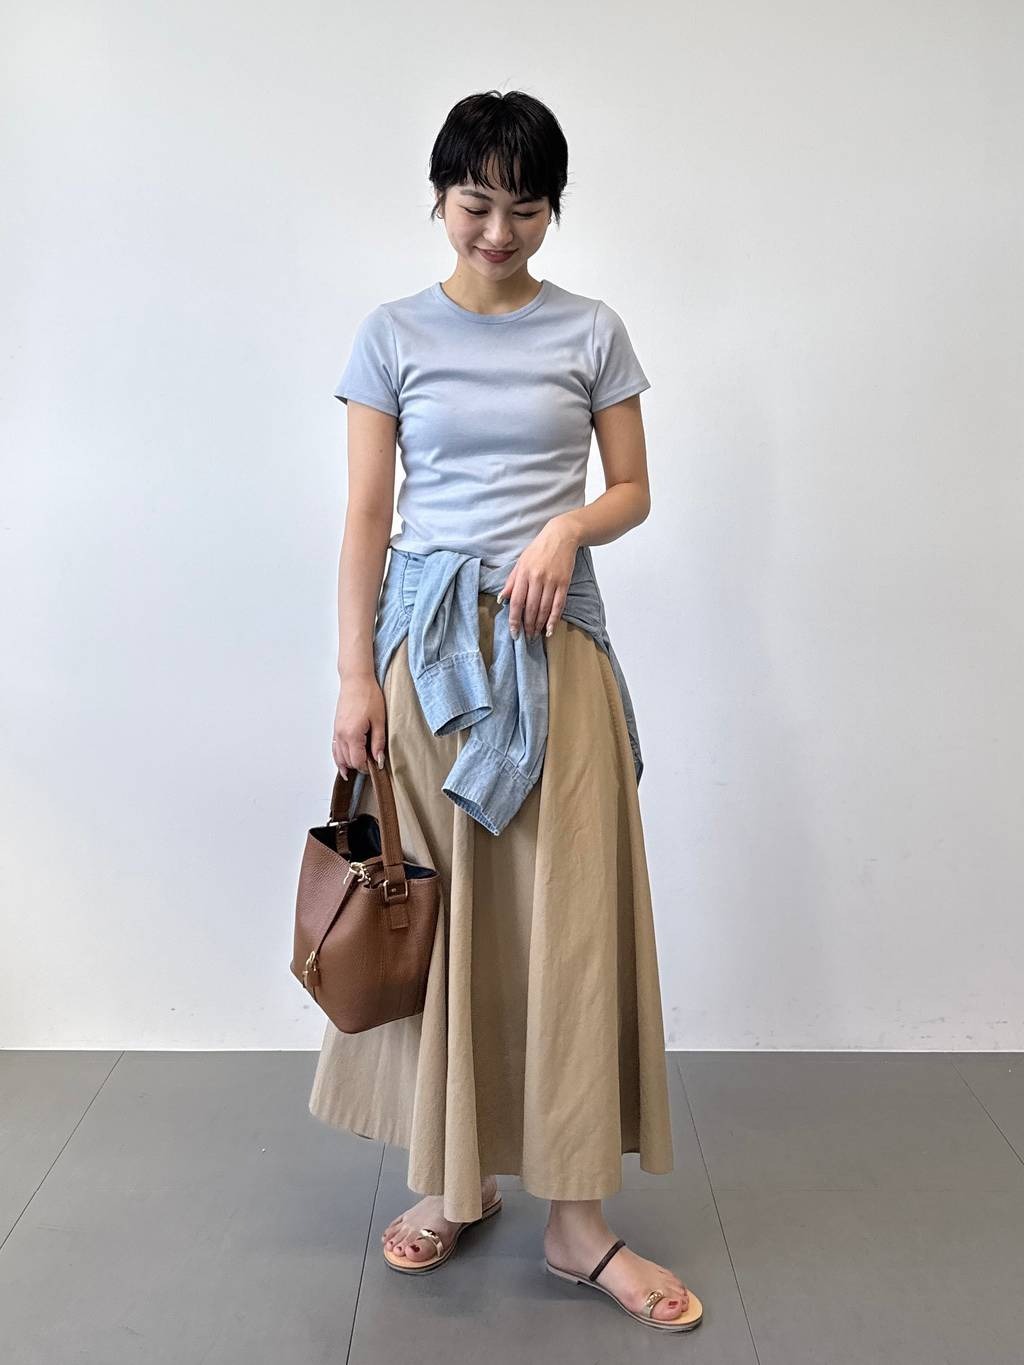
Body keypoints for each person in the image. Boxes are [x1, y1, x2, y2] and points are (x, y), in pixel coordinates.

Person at [308, 89, 703, 1333]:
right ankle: (455, 1180)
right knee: (444, 919)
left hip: (555, 653)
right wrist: (353, 675)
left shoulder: (590, 330)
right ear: (439, 198)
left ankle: (576, 1226)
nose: (497, 232)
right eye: (475, 203)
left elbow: (631, 486)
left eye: (524, 209)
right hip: (426, 662)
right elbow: (367, 518)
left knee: (568, 925)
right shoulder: (390, 334)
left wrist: (566, 527)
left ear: (552, 210)